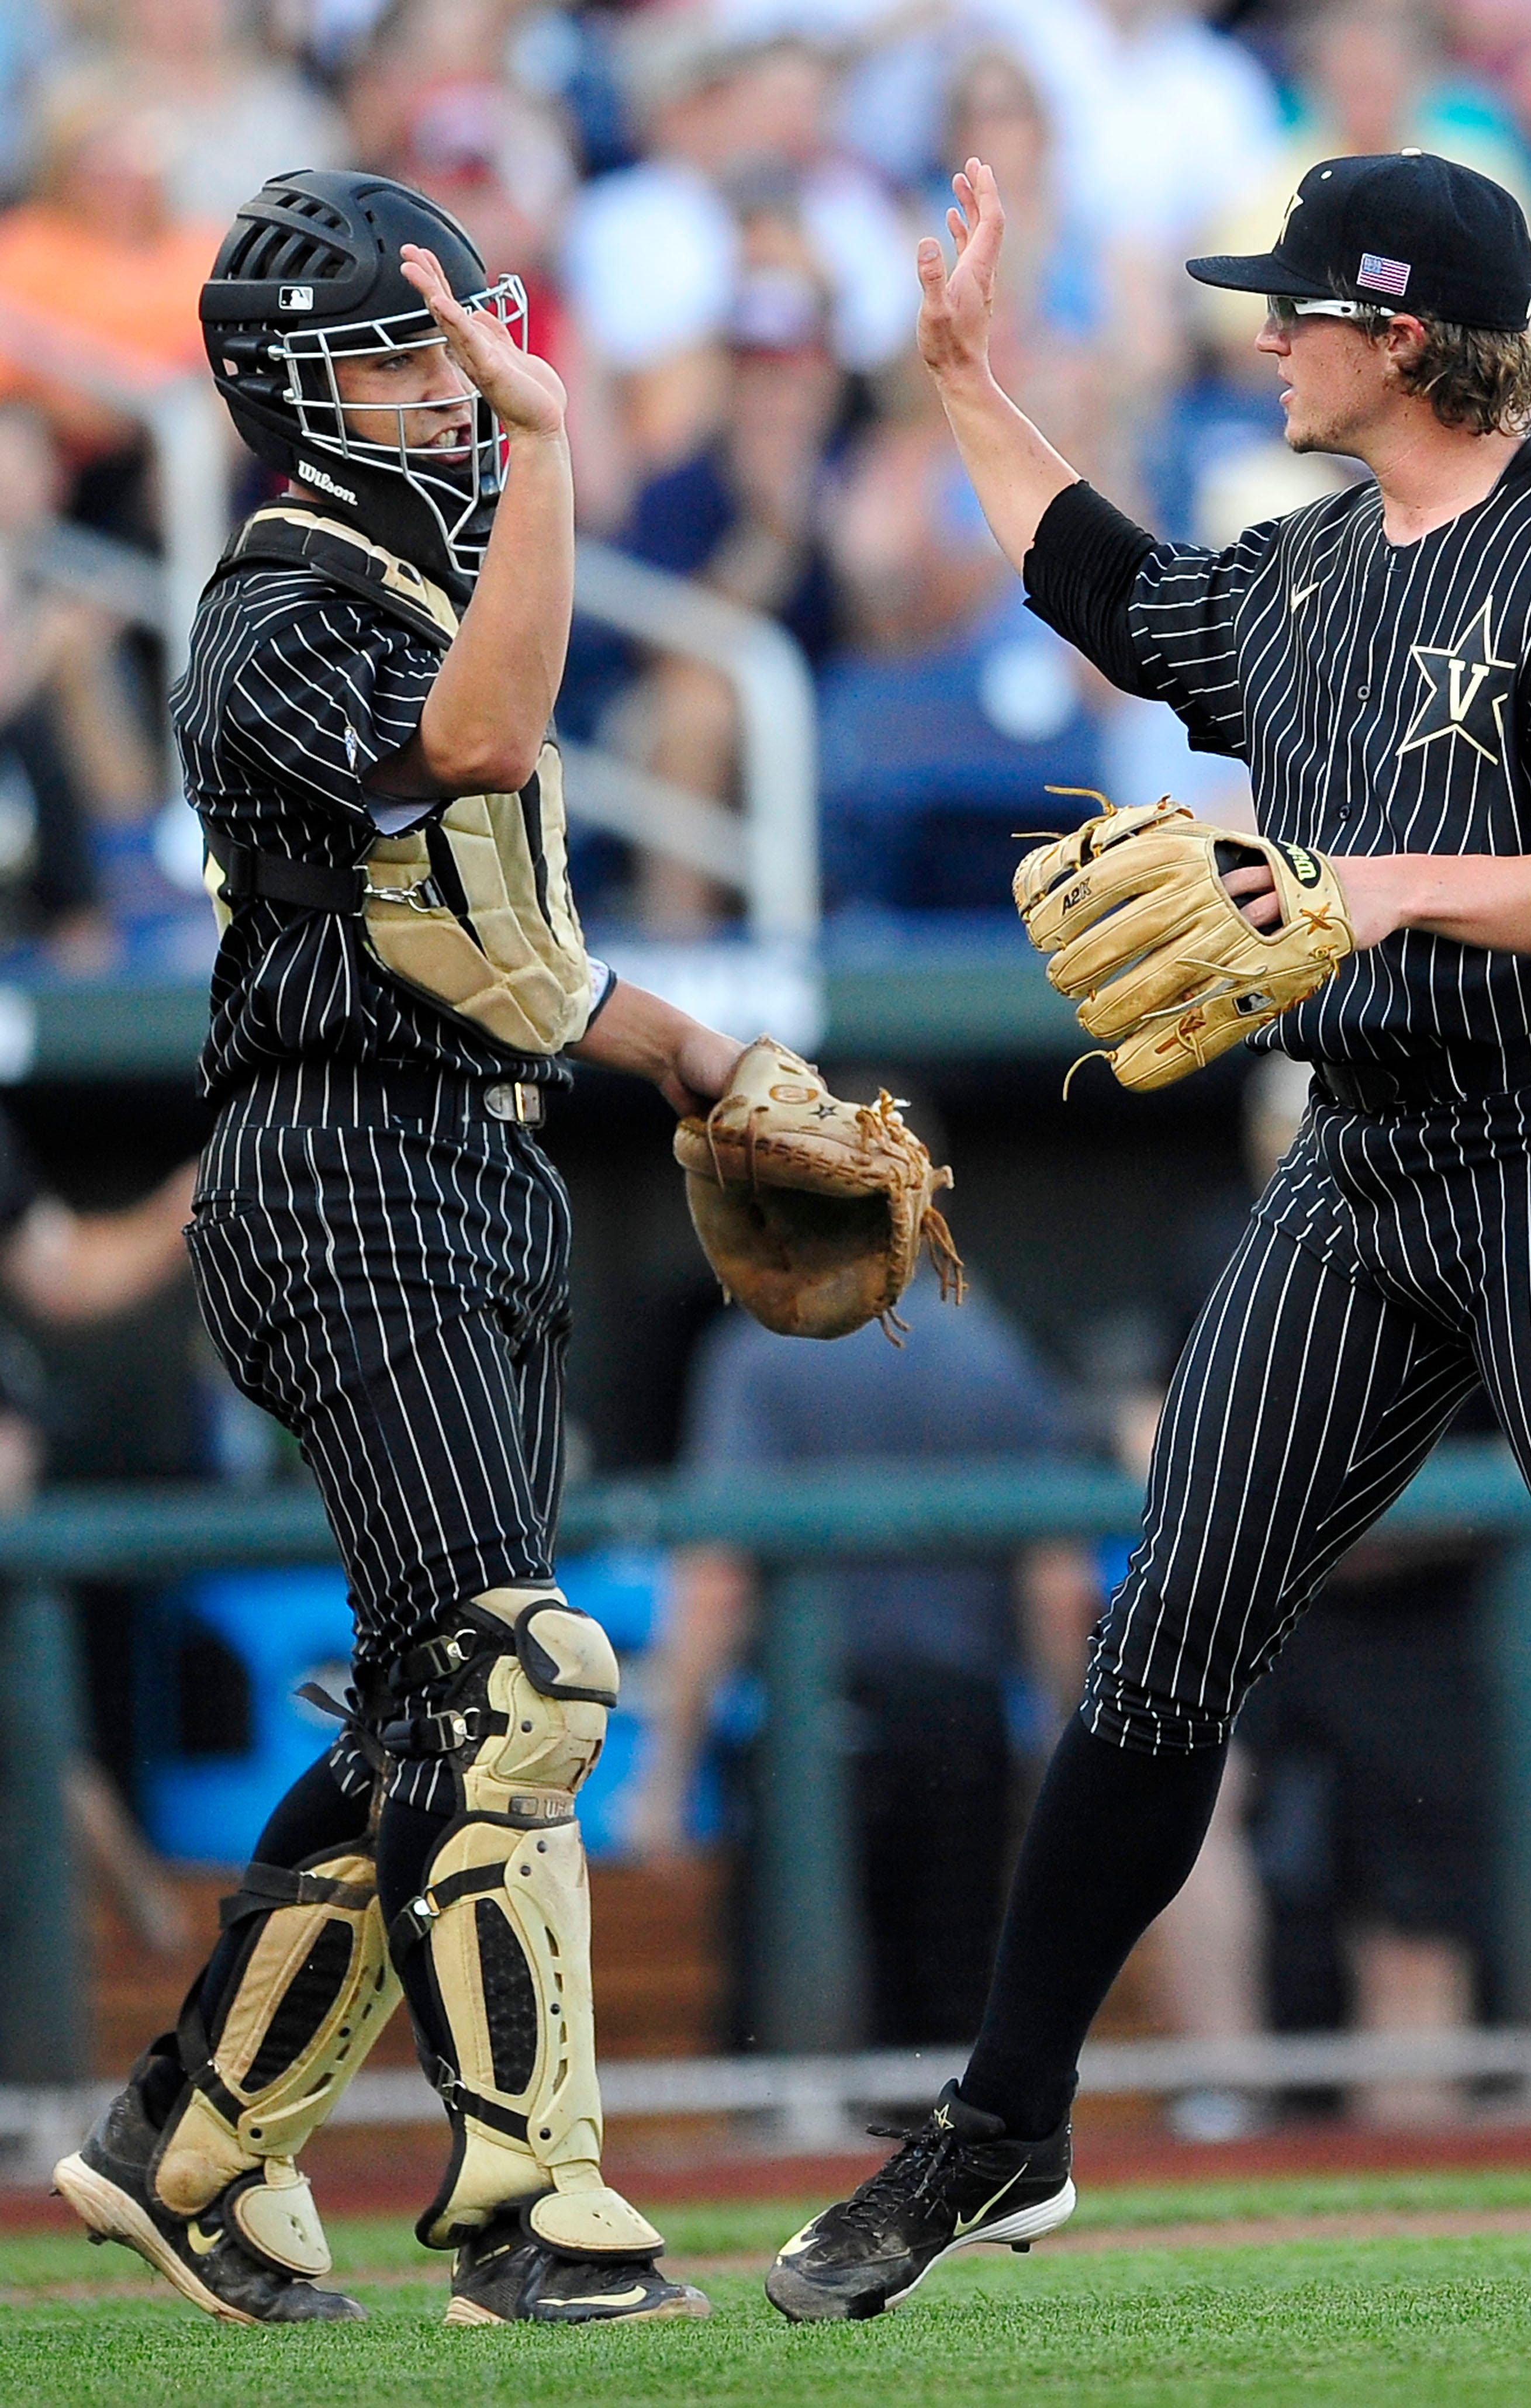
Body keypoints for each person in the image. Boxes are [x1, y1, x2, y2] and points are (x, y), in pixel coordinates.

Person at [762, 148, 1531, 2321]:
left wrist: (1391, 886)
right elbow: (1109, 591)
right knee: (1165, 1642)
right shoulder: (1309, 568)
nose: (1264, 333)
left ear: (1403, 330)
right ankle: (1006, 2126)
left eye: (1298, 304)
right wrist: (963, 373)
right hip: (1367, 1154)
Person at [50, 168, 751, 2330]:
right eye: (400, 352)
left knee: (435, 1722)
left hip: (464, 1161)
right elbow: (486, 743)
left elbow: (507, 954)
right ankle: (536, 2204)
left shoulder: (417, 560)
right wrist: (546, 446)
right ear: (288, 386)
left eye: (469, 342)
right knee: (512, 1678)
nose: (455, 386)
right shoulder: (281, 602)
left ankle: (189, 2144)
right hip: (341, 1167)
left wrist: (715, 1064)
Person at [632, 1259, 1098, 2050]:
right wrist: (1069, 1755)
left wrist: (665, 1773)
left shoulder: (763, 1347)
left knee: (795, 2050)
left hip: (814, 1731)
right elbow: (1057, 1585)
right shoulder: (991, 1346)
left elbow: (717, 1576)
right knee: (951, 2034)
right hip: (960, 1727)